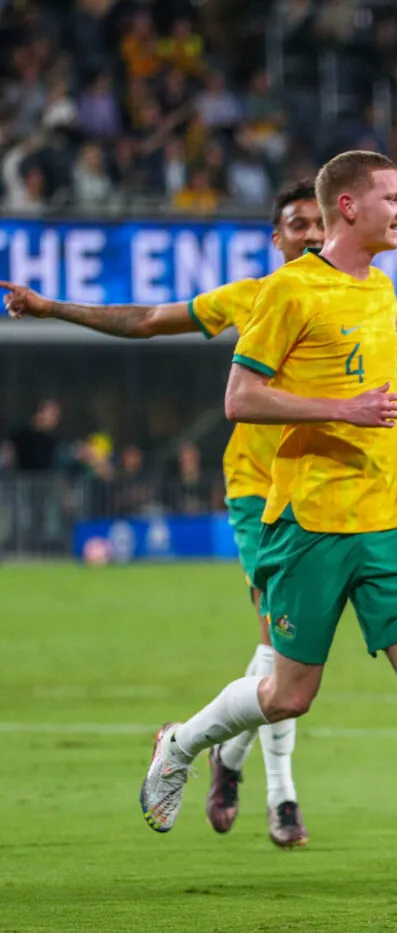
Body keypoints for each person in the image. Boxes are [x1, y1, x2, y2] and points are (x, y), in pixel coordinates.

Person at [133, 151, 397, 893]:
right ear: (349, 206)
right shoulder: (289, 290)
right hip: (308, 519)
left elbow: (387, 385)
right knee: (289, 693)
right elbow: (241, 397)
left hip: (389, 516)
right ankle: (181, 742)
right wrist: (344, 409)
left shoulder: (382, 290)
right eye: (392, 198)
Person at [2, 182, 354, 849]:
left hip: (333, 492)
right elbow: (145, 319)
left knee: (291, 654)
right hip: (261, 493)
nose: (310, 233)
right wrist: (51, 307)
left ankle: (228, 756)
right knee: (282, 644)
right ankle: (281, 797)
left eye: (319, 222)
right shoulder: (252, 297)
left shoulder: (360, 300)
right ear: (275, 238)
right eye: (296, 223)